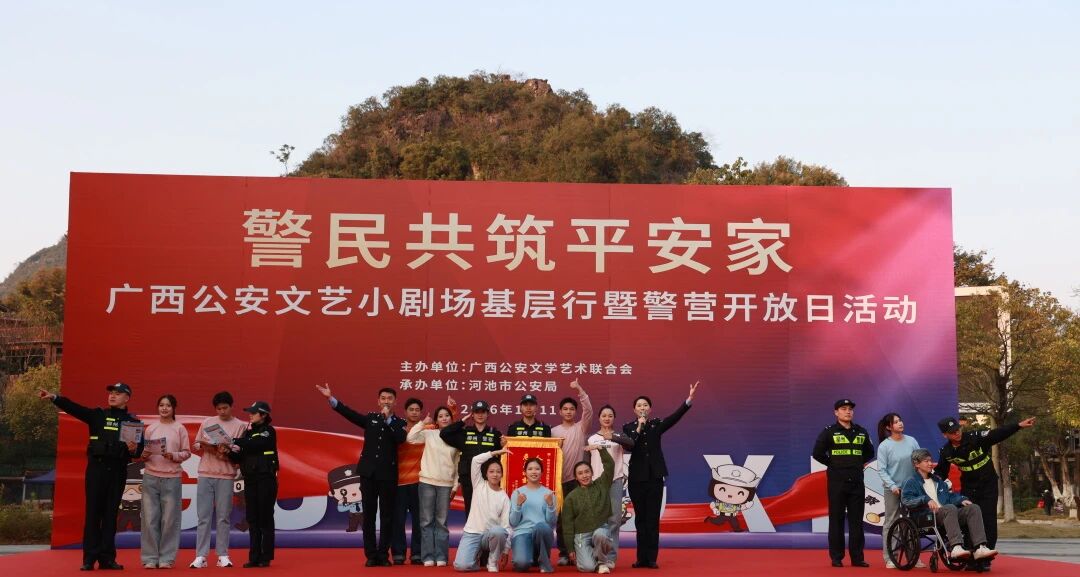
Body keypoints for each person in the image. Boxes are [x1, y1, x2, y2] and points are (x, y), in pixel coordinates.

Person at [39, 382, 144, 571]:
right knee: (93, 514)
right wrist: (55, 398)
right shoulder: (98, 415)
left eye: (118, 393)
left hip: (117, 472)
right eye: (111, 393)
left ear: (126, 398)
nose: (112, 396)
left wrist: (134, 449)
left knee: (111, 516)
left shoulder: (133, 422)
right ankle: (89, 558)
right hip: (97, 470)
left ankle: (107, 559)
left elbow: (138, 452)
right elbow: (75, 409)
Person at [317, 383, 407, 567]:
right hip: (368, 473)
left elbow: (400, 438)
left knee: (387, 516)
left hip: (388, 474)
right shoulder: (371, 418)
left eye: (390, 399)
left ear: (395, 402)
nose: (386, 401)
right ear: (378, 401)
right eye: (383, 398)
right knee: (369, 515)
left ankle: (383, 555)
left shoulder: (400, 423)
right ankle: (371, 555)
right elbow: (350, 414)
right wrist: (331, 399)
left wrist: (388, 420)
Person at [934, 415, 1035, 571]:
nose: (957, 433)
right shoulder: (946, 451)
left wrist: (1018, 425)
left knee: (988, 519)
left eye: (958, 429)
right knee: (968, 519)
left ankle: (986, 557)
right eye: (952, 432)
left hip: (988, 484)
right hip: (969, 487)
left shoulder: (975, 437)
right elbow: (941, 471)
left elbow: (997, 434)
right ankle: (971, 556)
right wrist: (929, 479)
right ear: (945, 435)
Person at [623, 381, 698, 569]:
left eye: (645, 405)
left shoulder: (656, 425)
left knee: (652, 519)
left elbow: (673, 418)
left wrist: (688, 400)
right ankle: (640, 558)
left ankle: (651, 558)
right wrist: (639, 428)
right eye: (639, 405)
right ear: (634, 410)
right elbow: (629, 445)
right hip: (636, 480)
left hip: (655, 478)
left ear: (650, 409)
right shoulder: (628, 428)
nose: (642, 408)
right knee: (640, 519)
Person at [902, 449, 998, 563]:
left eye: (930, 460)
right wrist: (925, 499)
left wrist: (961, 500)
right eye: (926, 461)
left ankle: (980, 547)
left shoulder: (938, 481)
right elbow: (906, 500)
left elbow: (949, 497)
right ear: (916, 464)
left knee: (973, 508)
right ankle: (956, 547)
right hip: (926, 516)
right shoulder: (911, 481)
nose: (930, 463)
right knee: (950, 508)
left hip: (946, 513)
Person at [811, 398, 874, 568]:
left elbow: (870, 453)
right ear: (836, 412)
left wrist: (856, 463)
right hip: (837, 482)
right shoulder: (829, 432)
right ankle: (836, 557)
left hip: (857, 482)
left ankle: (857, 558)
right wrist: (834, 464)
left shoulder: (861, 432)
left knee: (856, 521)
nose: (848, 412)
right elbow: (817, 453)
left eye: (850, 409)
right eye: (844, 408)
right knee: (836, 520)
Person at [190, 391, 249, 569]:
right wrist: (205, 445)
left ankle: (222, 554)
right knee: (203, 517)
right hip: (205, 473)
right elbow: (196, 444)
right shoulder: (208, 422)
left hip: (226, 474)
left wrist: (228, 449)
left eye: (225, 408)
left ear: (231, 406)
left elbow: (240, 450)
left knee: (223, 517)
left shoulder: (241, 426)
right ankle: (201, 556)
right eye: (219, 409)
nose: (222, 411)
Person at [408, 398, 461, 567]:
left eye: (447, 415)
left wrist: (455, 485)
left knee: (441, 522)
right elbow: (410, 438)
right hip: (427, 482)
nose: (444, 418)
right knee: (426, 521)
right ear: (436, 420)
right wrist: (423, 423)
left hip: (446, 484)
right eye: (441, 416)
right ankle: (428, 556)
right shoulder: (429, 434)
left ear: (451, 418)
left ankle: (442, 556)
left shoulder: (456, 438)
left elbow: (458, 465)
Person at [140, 394, 191, 569]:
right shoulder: (150, 428)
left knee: (170, 520)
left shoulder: (180, 428)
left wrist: (173, 455)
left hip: (172, 478)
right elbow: (143, 452)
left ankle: (166, 558)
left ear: (174, 408)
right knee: (149, 519)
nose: (164, 408)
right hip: (150, 477)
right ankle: (150, 558)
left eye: (168, 405)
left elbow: (186, 452)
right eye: (161, 405)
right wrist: (144, 454)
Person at [229, 401, 279, 568]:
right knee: (252, 518)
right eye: (249, 412)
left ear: (263, 415)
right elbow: (239, 457)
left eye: (253, 412)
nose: (250, 415)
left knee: (265, 517)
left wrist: (234, 440)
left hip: (266, 479)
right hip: (250, 480)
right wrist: (228, 451)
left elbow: (257, 444)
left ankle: (266, 557)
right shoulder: (247, 434)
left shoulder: (268, 431)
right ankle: (254, 557)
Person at [550, 379, 592, 566]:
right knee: (561, 519)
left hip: (578, 482)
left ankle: (580, 551)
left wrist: (580, 389)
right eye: (565, 409)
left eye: (571, 409)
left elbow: (588, 410)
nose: (568, 411)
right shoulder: (553, 432)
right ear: (560, 411)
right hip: (559, 482)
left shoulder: (581, 428)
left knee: (579, 518)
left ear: (575, 412)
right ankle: (564, 553)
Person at [587, 405, 634, 565]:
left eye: (610, 416)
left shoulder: (619, 436)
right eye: (604, 415)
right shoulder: (592, 438)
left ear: (614, 418)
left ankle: (611, 557)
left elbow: (631, 445)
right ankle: (597, 555)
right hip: (597, 484)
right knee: (597, 520)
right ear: (599, 418)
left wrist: (613, 437)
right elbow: (587, 462)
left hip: (615, 481)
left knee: (614, 520)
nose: (607, 418)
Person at [441, 400, 504, 516]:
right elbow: (444, 433)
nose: (480, 415)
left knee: (489, 510)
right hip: (468, 478)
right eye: (477, 412)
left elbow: (501, 456)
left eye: (483, 412)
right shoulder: (464, 433)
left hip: (488, 478)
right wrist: (461, 422)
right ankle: (471, 528)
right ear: (472, 415)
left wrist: (503, 445)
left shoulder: (495, 434)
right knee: (470, 509)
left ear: (488, 414)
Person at [875, 412, 921, 569]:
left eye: (900, 420)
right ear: (889, 427)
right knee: (892, 521)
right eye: (896, 422)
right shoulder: (884, 446)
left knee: (912, 522)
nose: (900, 423)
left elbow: (920, 461)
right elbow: (881, 470)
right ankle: (890, 557)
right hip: (893, 489)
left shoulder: (912, 441)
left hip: (912, 489)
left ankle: (913, 557)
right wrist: (893, 486)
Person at [454, 449, 511, 572]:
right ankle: (474, 558)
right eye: (491, 471)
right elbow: (475, 460)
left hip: (490, 535)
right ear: (486, 474)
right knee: (461, 566)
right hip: (472, 533)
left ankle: (492, 561)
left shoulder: (504, 497)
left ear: (502, 474)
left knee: (499, 531)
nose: (495, 474)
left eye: (498, 472)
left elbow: (507, 526)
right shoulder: (479, 484)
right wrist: (494, 453)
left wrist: (506, 551)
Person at [562, 446, 616, 574]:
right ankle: (593, 558)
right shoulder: (571, 497)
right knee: (587, 568)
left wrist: (601, 450)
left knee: (600, 534)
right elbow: (567, 524)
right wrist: (570, 549)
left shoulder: (602, 484)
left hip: (600, 529)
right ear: (576, 477)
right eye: (580, 473)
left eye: (587, 472)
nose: (584, 475)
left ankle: (601, 562)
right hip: (582, 535)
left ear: (592, 473)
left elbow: (610, 466)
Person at [509, 458, 558, 573]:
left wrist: (550, 505)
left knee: (541, 526)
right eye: (530, 469)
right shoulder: (517, 493)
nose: (534, 472)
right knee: (521, 565)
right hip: (523, 533)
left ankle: (544, 562)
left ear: (542, 472)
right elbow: (513, 522)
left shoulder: (549, 494)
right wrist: (518, 505)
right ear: (525, 472)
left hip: (541, 532)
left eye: (537, 469)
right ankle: (533, 557)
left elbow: (552, 522)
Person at [393, 397, 425, 565]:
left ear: (421, 413)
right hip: (399, 482)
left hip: (419, 483)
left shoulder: (426, 429)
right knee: (398, 520)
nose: (414, 412)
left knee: (419, 521)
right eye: (411, 409)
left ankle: (417, 553)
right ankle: (398, 553)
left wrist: (453, 411)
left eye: (417, 410)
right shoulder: (398, 428)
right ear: (405, 412)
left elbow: (446, 427)